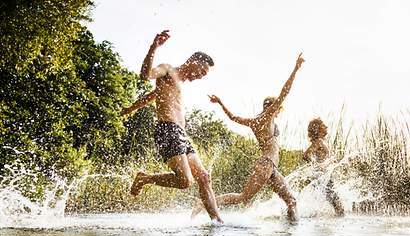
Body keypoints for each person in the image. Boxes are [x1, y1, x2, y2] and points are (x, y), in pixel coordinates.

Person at [121, 30, 223, 224]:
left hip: (181, 134)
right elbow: (145, 75)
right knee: (185, 181)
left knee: (203, 176)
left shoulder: (180, 83)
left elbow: (151, 96)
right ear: (194, 60)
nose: (201, 76)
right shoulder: (168, 69)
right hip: (167, 130)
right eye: (202, 71)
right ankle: (144, 178)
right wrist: (154, 47)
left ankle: (217, 221)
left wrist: (131, 108)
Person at [201, 53, 305, 222]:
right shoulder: (267, 116)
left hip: (270, 168)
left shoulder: (254, 121)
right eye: (276, 108)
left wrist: (220, 103)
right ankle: (204, 203)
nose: (277, 110)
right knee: (243, 197)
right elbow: (284, 93)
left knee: (291, 201)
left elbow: (233, 117)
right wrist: (296, 69)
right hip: (266, 164)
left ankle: (288, 233)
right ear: (273, 109)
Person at [303, 118, 344, 216]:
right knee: (339, 207)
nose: (326, 127)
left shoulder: (320, 142)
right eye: (323, 125)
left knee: (334, 203)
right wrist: (318, 166)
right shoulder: (318, 142)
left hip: (324, 176)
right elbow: (306, 155)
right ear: (318, 129)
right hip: (322, 177)